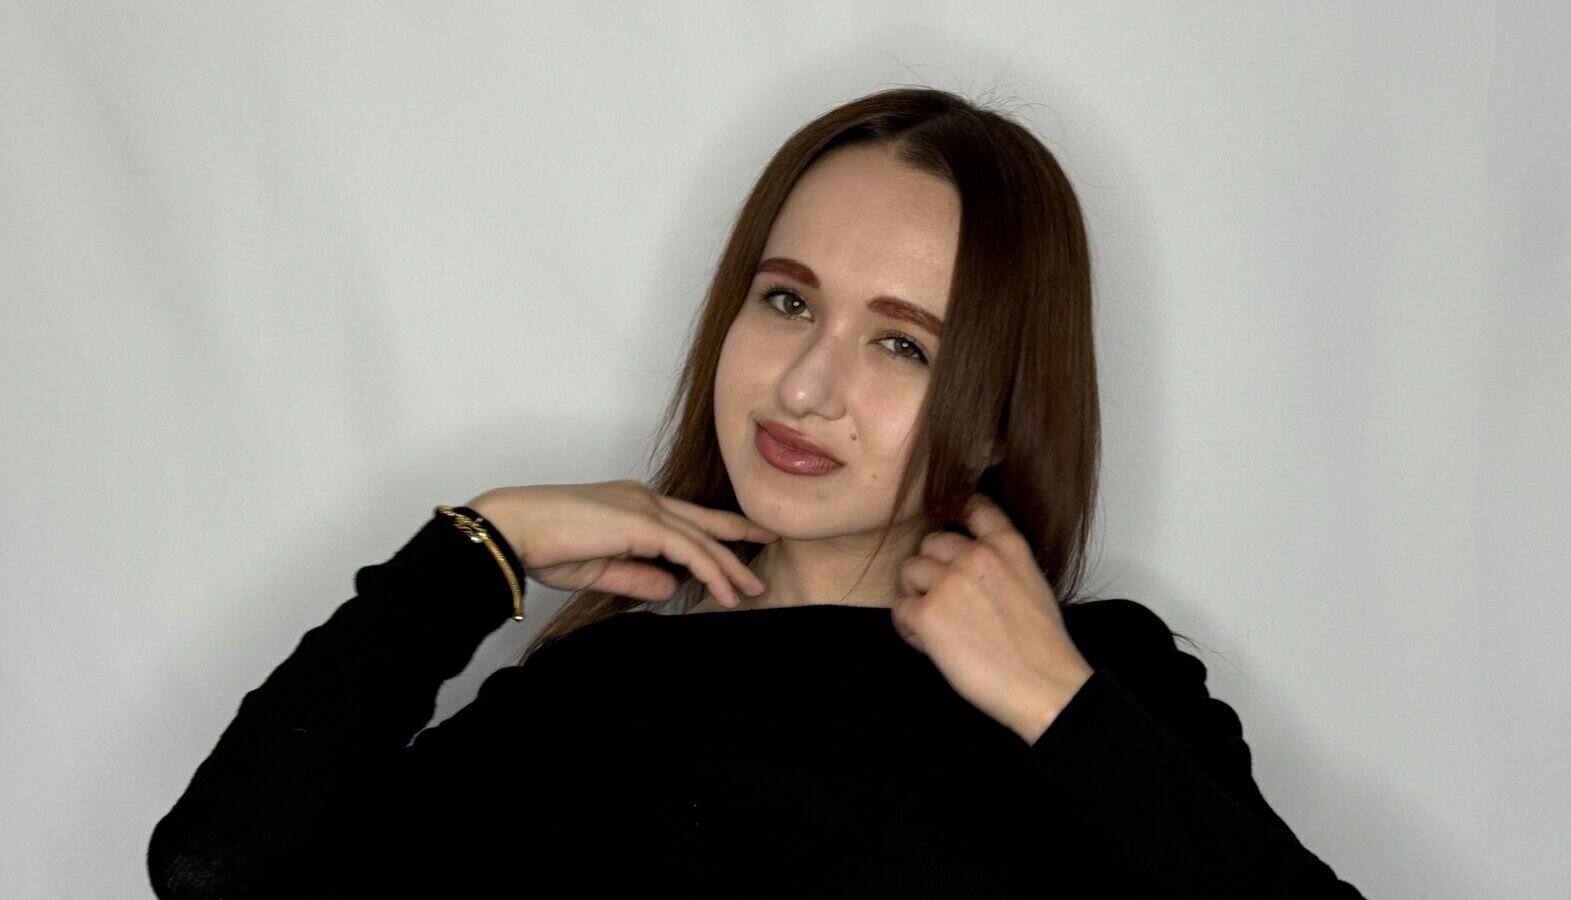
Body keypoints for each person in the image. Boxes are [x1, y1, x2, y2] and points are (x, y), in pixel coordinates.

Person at [147, 87, 1367, 898]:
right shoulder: (599, 699)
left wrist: (1054, 699)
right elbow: (218, 870)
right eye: (786, 300)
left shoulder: (1100, 686)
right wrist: (483, 548)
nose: (803, 387)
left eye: (902, 344)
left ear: (1000, 410)